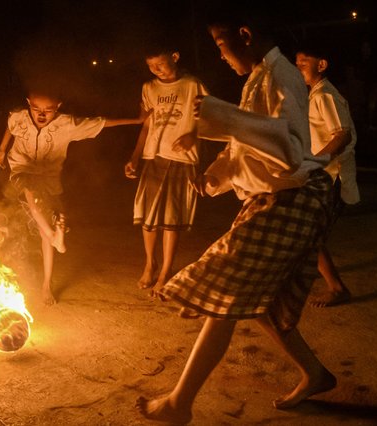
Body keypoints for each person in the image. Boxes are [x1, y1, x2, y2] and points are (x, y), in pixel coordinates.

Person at [136, 6, 337, 424]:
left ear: (245, 34)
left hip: (291, 200)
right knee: (261, 302)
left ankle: (179, 403)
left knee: (225, 293)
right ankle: (315, 373)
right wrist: (216, 176)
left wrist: (220, 118)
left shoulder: (281, 77)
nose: (221, 56)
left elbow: (289, 151)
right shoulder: (260, 78)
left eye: (221, 45)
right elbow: (250, 143)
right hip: (274, 199)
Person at [0, 91, 142, 306]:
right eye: (36, 109)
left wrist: (136, 120)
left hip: (50, 178)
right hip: (22, 170)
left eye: (48, 110)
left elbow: (101, 123)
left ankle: (47, 281)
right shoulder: (19, 116)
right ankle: (55, 237)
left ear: (58, 106)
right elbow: (10, 126)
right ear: (28, 104)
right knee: (32, 195)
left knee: (45, 228)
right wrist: (0, 150)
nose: (42, 114)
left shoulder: (68, 124)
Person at [124, 42, 209, 300]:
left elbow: (210, 118)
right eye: (150, 65)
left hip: (181, 158)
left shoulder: (193, 85)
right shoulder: (149, 88)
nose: (155, 69)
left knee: (171, 217)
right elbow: (146, 125)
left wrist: (193, 136)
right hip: (153, 156)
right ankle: (150, 263)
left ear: (175, 56)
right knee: (148, 215)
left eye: (160, 63)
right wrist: (135, 157)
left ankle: (166, 272)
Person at [296, 44, 360, 307]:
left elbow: (342, 135)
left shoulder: (324, 96)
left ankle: (337, 288)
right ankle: (329, 282)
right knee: (309, 232)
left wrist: (315, 162)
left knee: (310, 234)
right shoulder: (316, 94)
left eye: (303, 63)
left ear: (321, 65)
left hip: (332, 177)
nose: (298, 68)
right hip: (324, 174)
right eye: (296, 63)